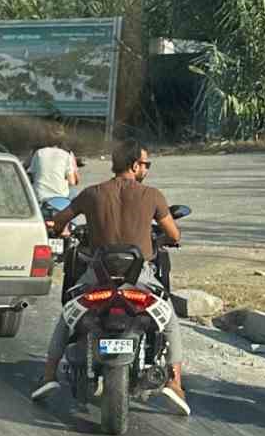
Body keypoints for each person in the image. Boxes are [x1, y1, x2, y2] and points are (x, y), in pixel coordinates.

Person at [31, 140, 188, 413]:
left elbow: (59, 221)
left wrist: (61, 230)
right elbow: (174, 235)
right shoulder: (152, 195)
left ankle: (48, 375)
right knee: (169, 318)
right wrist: (162, 238)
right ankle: (174, 383)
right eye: (146, 164)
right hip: (140, 276)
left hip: (98, 274)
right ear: (134, 165)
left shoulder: (92, 193)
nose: (147, 169)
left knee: (68, 315)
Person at [28, 129, 80, 201]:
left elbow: (32, 177)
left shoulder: (38, 152)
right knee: (75, 193)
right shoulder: (67, 154)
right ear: (62, 141)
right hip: (60, 196)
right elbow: (72, 182)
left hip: (39, 195)